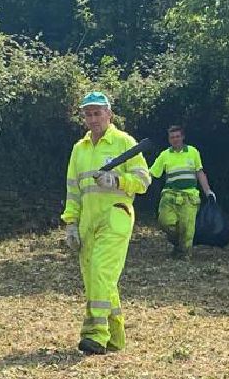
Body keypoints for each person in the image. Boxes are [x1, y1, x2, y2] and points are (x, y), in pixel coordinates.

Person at [61, 91, 150, 356]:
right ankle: (116, 337)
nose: (92, 118)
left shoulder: (124, 142)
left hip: (116, 216)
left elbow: (144, 180)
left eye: (97, 113)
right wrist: (71, 223)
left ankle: (95, 335)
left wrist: (118, 181)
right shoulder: (80, 149)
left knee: (100, 271)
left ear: (109, 114)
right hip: (88, 221)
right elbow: (73, 190)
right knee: (97, 279)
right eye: (88, 114)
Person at [148, 125, 214, 258]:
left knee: (187, 228)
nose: (175, 139)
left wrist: (208, 191)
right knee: (164, 222)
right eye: (172, 137)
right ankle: (180, 244)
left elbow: (199, 172)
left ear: (183, 137)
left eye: (178, 136)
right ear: (169, 139)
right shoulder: (164, 155)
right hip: (169, 195)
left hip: (190, 196)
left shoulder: (193, 152)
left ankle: (184, 254)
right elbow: (152, 173)